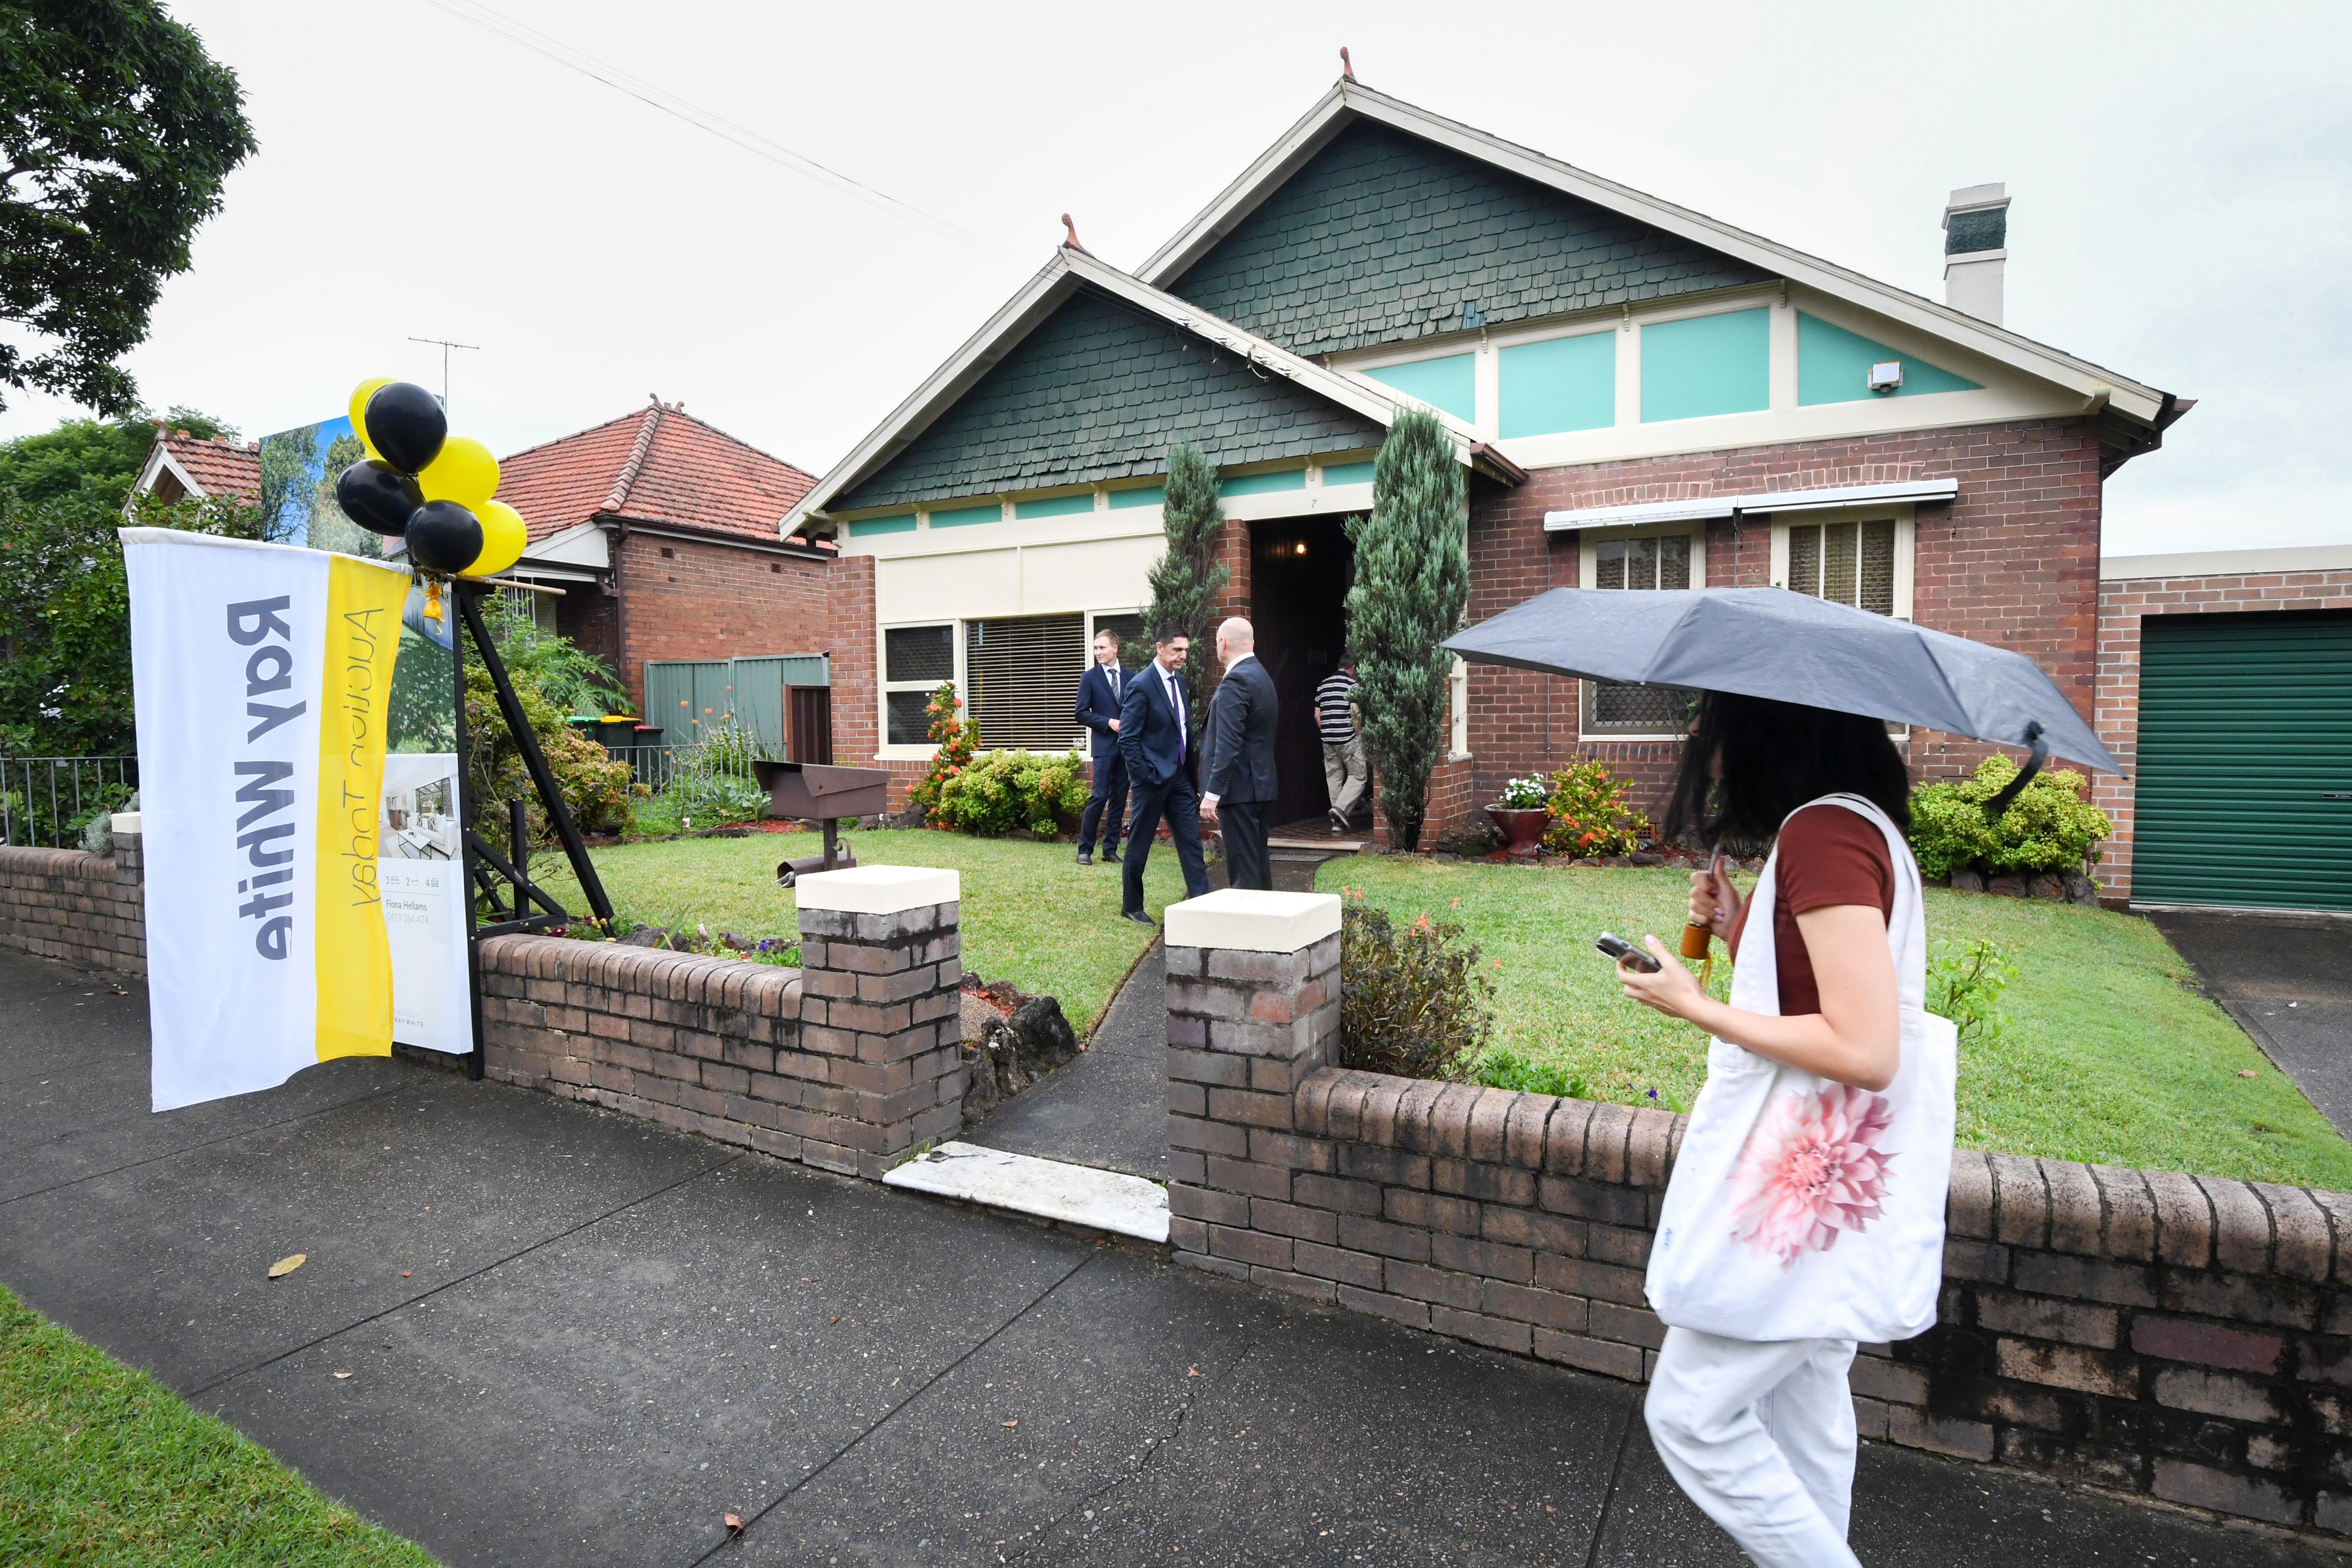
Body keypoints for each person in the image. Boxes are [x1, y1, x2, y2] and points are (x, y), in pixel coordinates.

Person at [1611, 691, 1957, 1568]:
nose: (1697, 735)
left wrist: (1698, 1009)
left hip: (1799, 1194)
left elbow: (1868, 1048)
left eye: (1710, 716)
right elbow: (1820, 999)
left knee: (1690, 1414)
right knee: (1808, 1414)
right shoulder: (1847, 829)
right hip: (1829, 1193)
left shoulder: (1824, 837)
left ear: (1770, 724)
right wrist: (1740, 926)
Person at [1116, 624, 1211, 924]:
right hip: (1152, 780)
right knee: (1140, 844)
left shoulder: (1179, 682)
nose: (1183, 656)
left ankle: (1202, 901)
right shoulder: (1141, 685)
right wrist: (1144, 776)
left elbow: (1183, 729)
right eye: (1177, 650)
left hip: (1181, 778)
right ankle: (1132, 906)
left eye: (1185, 650)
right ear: (1160, 648)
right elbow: (1128, 738)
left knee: (1191, 841)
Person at [1200, 617, 1279, 891]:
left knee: (1244, 875)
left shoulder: (1236, 680)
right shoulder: (1262, 676)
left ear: (1222, 643)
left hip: (1240, 792)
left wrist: (1213, 794)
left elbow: (1228, 744)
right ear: (1252, 643)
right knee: (1258, 867)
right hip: (1259, 787)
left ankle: (1250, 932)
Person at [1072, 628, 1131, 867]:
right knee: (1099, 796)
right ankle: (1085, 850)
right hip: (1105, 746)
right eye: (1096, 648)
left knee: (1119, 799)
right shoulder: (1090, 678)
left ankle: (1111, 849)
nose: (1098, 652)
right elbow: (1080, 714)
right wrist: (1108, 722)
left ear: (1115, 648)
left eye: (1102, 648)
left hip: (1127, 748)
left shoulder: (1131, 677)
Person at [1315, 656, 1368, 833]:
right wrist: (1359, 735)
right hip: (1348, 738)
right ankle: (1341, 810)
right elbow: (1355, 713)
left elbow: (1317, 715)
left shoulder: (1323, 685)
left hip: (1328, 740)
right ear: (1352, 669)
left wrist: (1327, 731)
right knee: (1358, 776)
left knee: (1334, 777)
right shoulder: (1352, 685)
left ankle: (1336, 823)